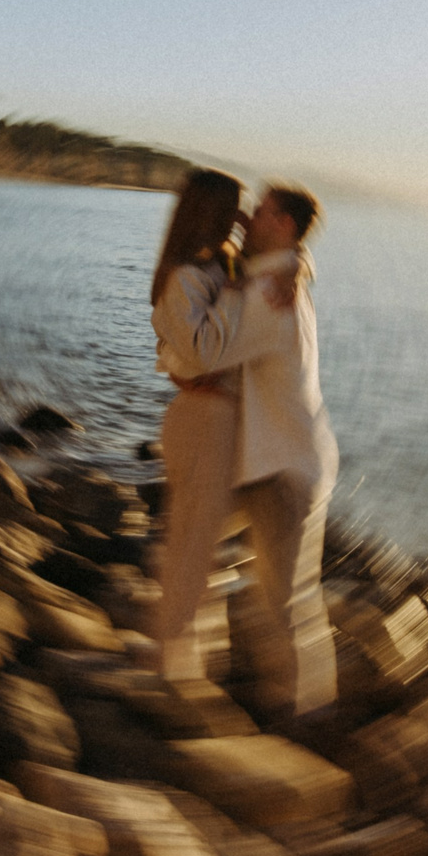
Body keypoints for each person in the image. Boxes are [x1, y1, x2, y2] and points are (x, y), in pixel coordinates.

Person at [168, 182, 338, 723]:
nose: (247, 217)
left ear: (284, 225)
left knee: (284, 598)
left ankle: (303, 713)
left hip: (284, 468)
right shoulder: (273, 278)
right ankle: (193, 669)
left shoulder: (268, 294)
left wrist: (174, 356)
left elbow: (206, 351)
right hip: (264, 458)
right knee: (195, 553)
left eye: (260, 211)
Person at [148, 167, 248, 686]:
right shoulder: (188, 276)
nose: (240, 219)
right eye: (234, 209)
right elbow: (202, 352)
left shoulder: (214, 268)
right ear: (215, 214)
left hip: (214, 417)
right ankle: (175, 666)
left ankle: (180, 656)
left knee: (197, 541)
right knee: (195, 542)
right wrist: (234, 290)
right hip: (204, 417)